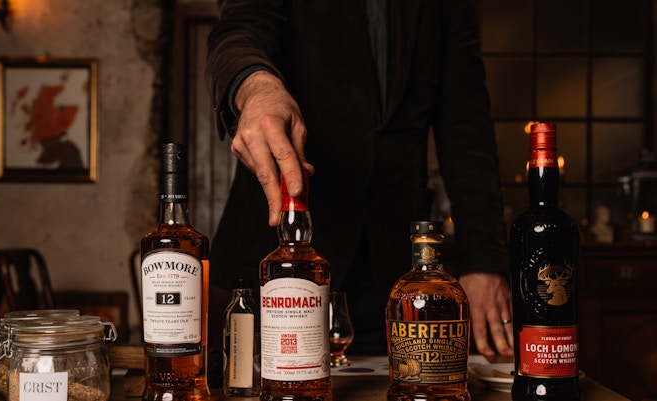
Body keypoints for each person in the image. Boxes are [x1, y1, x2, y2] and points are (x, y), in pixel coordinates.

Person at [205, 0, 513, 362]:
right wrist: (257, 88)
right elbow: (239, 32)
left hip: (392, 271)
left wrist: (484, 261)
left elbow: (467, 129)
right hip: (277, 267)